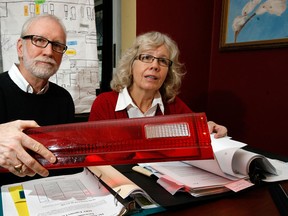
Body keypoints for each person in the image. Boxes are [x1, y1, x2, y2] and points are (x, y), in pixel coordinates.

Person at [88, 31, 227, 137]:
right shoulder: (104, 104)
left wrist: (211, 129)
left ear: (168, 71)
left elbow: (199, 133)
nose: (155, 66)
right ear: (131, 65)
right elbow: (91, 158)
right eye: (147, 57)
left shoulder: (174, 106)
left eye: (162, 61)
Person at [0, 14, 76, 180]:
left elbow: (65, 164)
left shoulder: (64, 100)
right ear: (20, 47)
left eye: (57, 45)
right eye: (39, 40)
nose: (49, 52)